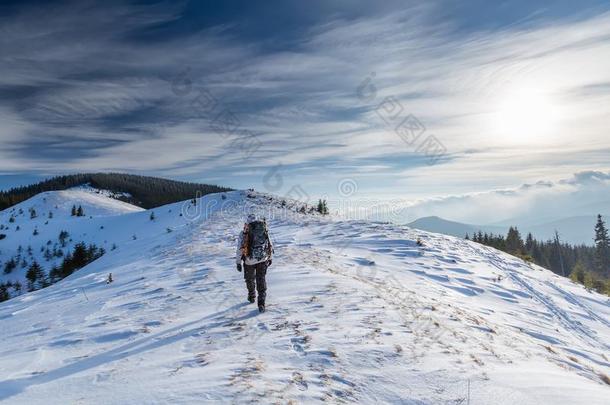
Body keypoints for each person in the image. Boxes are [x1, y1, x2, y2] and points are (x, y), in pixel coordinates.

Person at [236, 214, 273, 312]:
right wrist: (270, 257)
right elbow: (269, 243)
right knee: (261, 279)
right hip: (262, 259)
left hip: (249, 261)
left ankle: (252, 296)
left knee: (250, 279)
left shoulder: (244, 233)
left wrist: (238, 262)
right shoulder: (263, 229)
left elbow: (240, 249)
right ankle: (261, 303)